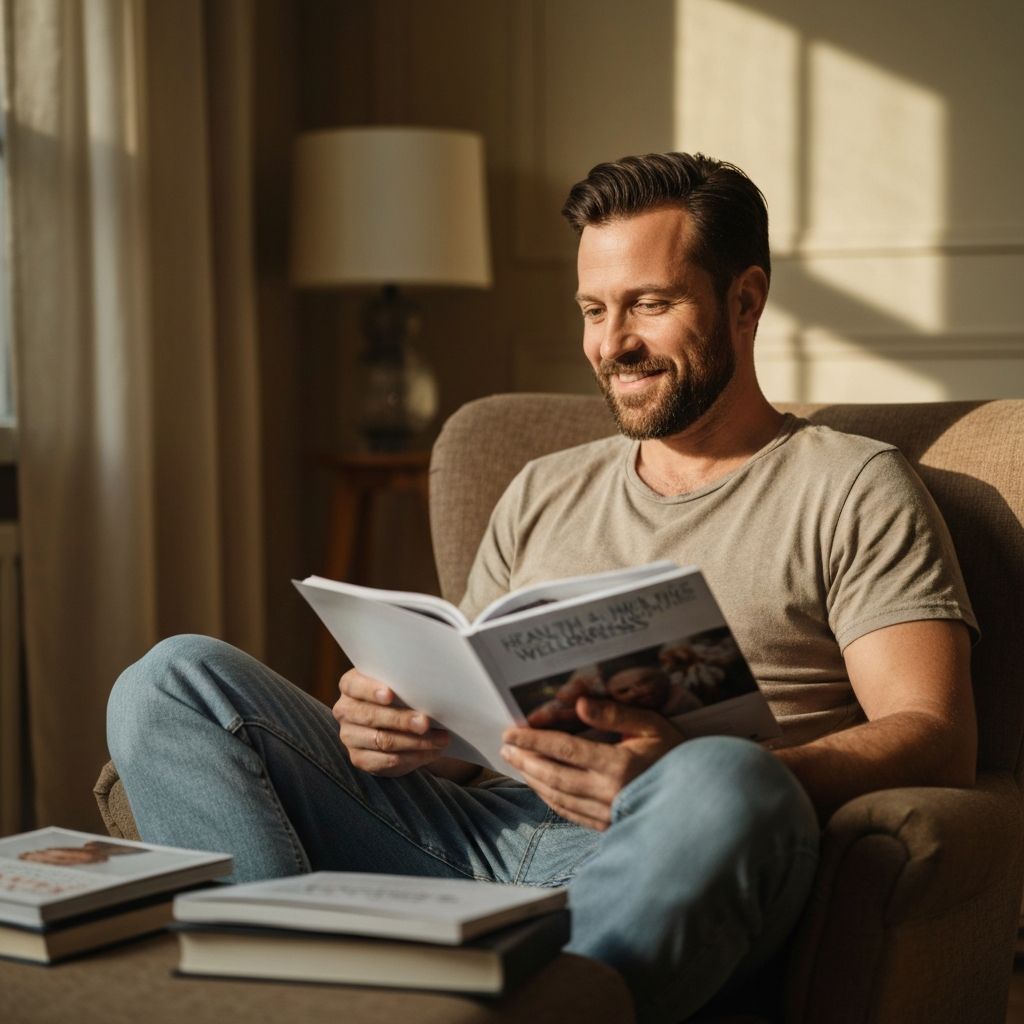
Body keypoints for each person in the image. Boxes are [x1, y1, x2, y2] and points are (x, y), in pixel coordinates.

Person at [107, 152, 976, 1024]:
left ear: (744, 301)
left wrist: (689, 775)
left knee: (727, 780)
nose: (613, 344)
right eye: (594, 310)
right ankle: (282, 998)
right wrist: (402, 723)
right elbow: (471, 732)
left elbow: (937, 733)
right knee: (171, 680)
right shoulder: (542, 487)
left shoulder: (850, 485)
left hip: (671, 856)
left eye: (651, 303)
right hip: (463, 838)